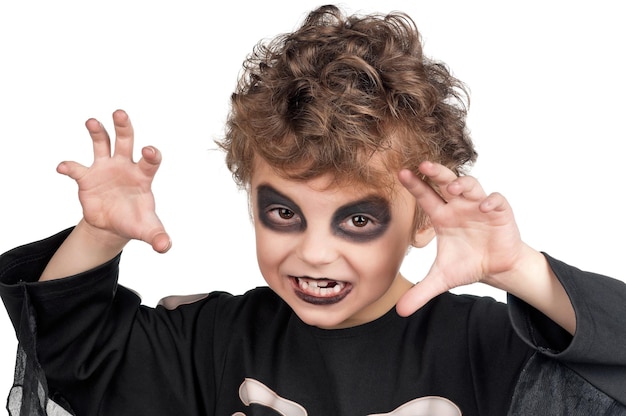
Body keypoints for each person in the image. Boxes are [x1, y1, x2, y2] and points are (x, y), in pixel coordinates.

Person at [1, 4, 625, 415]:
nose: (314, 252)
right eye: (284, 214)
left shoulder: (485, 345)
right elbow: (74, 357)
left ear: (423, 218)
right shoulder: (217, 337)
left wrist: (519, 268)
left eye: (357, 220)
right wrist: (98, 237)